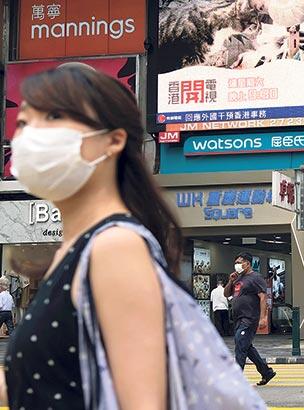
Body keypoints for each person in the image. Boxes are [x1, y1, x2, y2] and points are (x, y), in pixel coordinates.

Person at [0, 64, 179, 409]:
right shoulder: (79, 248)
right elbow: (50, 382)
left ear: (112, 140)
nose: (30, 135)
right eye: (23, 123)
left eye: (53, 117)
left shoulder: (116, 246)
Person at [225, 253, 277, 386]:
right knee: (245, 346)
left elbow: (263, 298)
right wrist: (230, 281)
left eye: (239, 262)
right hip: (238, 319)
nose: (237, 264)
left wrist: (263, 317)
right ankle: (266, 372)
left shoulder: (256, 278)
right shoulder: (238, 278)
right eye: (236, 262)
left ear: (247, 263)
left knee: (240, 345)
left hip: (249, 318)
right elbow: (226, 294)